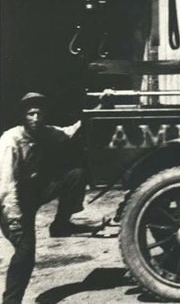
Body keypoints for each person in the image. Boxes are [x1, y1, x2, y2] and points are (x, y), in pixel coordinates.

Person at [0, 92, 87, 304]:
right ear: (23, 116)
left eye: (40, 113)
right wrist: (15, 219)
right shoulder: (10, 141)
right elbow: (6, 185)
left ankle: (61, 224)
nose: (36, 118)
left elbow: (70, 132)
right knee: (25, 253)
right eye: (31, 114)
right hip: (10, 203)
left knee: (76, 175)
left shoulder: (45, 132)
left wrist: (101, 106)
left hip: (33, 192)